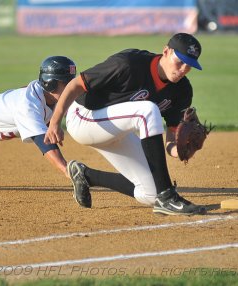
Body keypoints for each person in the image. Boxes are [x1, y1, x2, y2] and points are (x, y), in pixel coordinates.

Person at [45, 33, 207, 216]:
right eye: (180, 61)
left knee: (150, 193)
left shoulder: (182, 90)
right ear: (166, 51)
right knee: (147, 110)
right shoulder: (129, 63)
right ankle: (167, 196)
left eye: (190, 65)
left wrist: (180, 150)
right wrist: (55, 122)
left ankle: (86, 175)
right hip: (83, 116)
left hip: (115, 128)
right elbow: (75, 85)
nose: (184, 69)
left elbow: (170, 139)